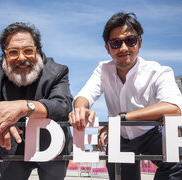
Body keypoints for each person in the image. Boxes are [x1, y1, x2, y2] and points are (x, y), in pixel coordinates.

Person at [69, 12, 182, 180]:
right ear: (107, 48)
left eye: (130, 40)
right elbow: (84, 96)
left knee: (179, 161)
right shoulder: (103, 69)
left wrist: (121, 118)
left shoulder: (158, 71)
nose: (123, 48)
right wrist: (79, 110)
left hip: (150, 134)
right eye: (115, 43)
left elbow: (174, 108)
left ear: (140, 43)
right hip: (118, 138)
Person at [0, 22, 73, 180]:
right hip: (11, 147)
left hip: (51, 148)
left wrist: (24, 107)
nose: (21, 58)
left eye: (28, 51)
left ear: (38, 51)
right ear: (4, 54)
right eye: (13, 52)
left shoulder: (58, 71)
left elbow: (63, 106)